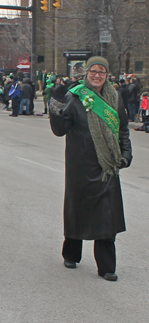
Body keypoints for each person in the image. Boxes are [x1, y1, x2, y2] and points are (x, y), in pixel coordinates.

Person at [49, 56, 132, 282]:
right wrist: (55, 104)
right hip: (80, 164)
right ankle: (71, 253)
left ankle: (106, 267)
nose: (97, 75)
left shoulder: (115, 98)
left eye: (101, 72)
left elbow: (123, 129)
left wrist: (126, 154)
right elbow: (60, 129)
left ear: (107, 75)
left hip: (107, 166)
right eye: (93, 71)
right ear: (87, 73)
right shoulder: (75, 96)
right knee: (77, 209)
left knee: (107, 216)